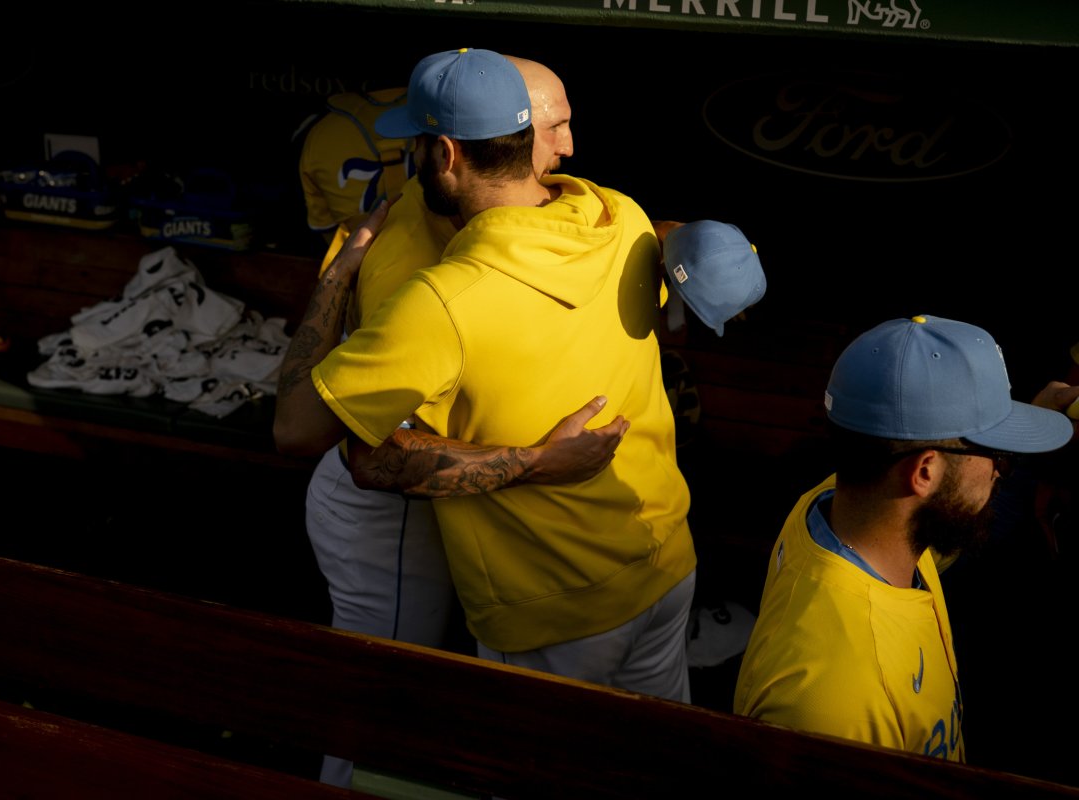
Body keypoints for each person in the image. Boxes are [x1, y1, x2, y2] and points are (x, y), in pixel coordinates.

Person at [274, 48, 699, 705]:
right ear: (532, 141)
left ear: (443, 152)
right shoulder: (622, 219)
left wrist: (334, 277)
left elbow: (300, 431)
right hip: (664, 562)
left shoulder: (439, 298)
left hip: (551, 600)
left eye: (415, 146)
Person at [732, 314, 1073, 761]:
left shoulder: (848, 506)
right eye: (991, 451)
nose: (997, 468)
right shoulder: (832, 703)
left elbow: (961, 503)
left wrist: (1017, 453)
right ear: (924, 472)